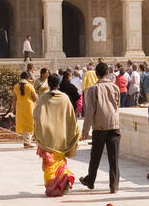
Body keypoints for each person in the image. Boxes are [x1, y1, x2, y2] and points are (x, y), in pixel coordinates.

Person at [33, 71, 79, 195]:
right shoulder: (64, 98)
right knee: (60, 162)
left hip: (47, 139)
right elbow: (71, 118)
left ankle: (52, 188)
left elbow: (36, 116)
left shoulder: (43, 99)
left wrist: (38, 133)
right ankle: (62, 183)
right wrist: (74, 133)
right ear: (59, 84)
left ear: (48, 84)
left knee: (49, 165)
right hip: (61, 138)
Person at [79, 61, 120, 193]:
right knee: (114, 157)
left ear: (96, 74)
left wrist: (85, 131)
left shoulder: (92, 90)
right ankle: (113, 185)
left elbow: (89, 111)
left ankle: (90, 180)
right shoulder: (115, 87)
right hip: (114, 124)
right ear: (107, 73)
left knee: (95, 155)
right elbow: (117, 104)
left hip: (100, 126)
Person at [13, 70, 37, 147]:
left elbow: (14, 99)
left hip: (20, 107)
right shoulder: (30, 86)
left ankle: (26, 141)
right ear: (27, 78)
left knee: (23, 124)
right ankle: (27, 142)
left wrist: (14, 109)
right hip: (29, 107)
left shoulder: (16, 86)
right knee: (30, 124)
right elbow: (35, 98)